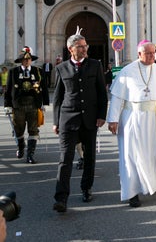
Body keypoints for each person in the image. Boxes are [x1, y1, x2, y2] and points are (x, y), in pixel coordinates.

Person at [107, 40, 156, 207]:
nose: (152, 56)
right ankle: (132, 192)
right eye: (148, 53)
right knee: (132, 156)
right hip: (132, 119)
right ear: (139, 54)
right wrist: (113, 119)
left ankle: (149, 185)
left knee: (152, 154)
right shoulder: (127, 72)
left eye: (153, 53)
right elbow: (117, 97)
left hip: (155, 120)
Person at [52, 34, 107, 212]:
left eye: (85, 46)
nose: (84, 49)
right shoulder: (61, 68)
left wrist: (101, 115)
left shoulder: (95, 65)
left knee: (89, 157)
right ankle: (61, 198)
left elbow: (101, 93)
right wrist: (55, 121)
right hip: (68, 120)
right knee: (65, 159)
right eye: (80, 47)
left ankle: (86, 188)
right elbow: (58, 98)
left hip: (90, 119)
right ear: (70, 49)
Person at [4, 47, 50, 164]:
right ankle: (21, 147)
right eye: (24, 60)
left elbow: (44, 88)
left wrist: (45, 103)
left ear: (31, 60)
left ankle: (30, 155)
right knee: (18, 129)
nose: (27, 61)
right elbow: (8, 90)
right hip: (18, 105)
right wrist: (7, 105)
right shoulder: (13, 72)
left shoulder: (38, 71)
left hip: (33, 104)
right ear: (21, 61)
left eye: (29, 60)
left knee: (33, 129)